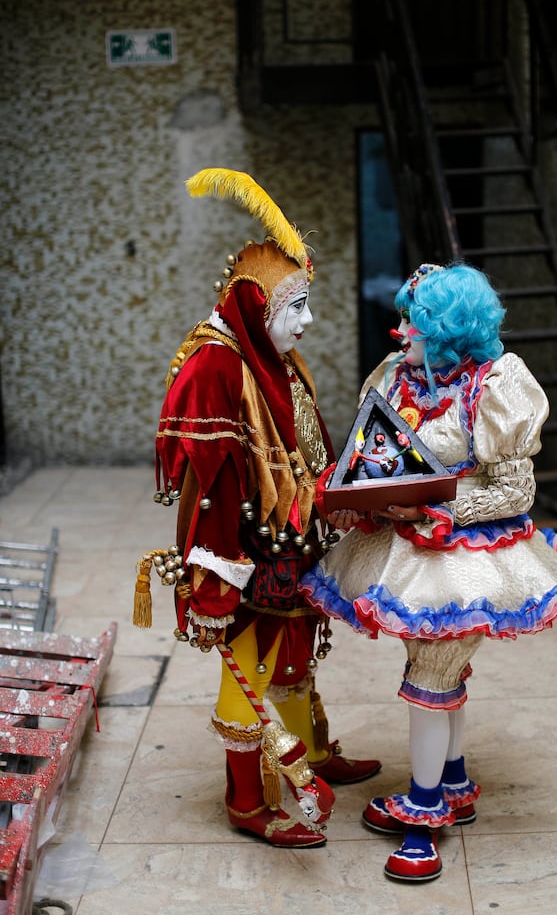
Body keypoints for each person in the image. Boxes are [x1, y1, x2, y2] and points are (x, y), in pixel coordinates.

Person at [300, 260, 557, 879]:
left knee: (432, 674)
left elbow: (514, 491)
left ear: (449, 328)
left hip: (463, 558)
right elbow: (373, 458)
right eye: (403, 318)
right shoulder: (397, 376)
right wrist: (360, 500)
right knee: (441, 669)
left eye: (415, 320)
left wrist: (432, 506)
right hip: (404, 549)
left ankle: (424, 812)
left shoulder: (498, 382)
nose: (400, 330)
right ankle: (453, 784)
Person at [134, 168, 380, 849]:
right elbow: (207, 488)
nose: (306, 321)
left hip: (290, 539)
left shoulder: (275, 355)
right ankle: (247, 800)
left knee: (296, 653)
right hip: (243, 553)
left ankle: (307, 753)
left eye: (305, 302)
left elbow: (303, 449)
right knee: (250, 666)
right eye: (293, 306)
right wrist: (214, 583)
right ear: (253, 306)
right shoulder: (216, 367)